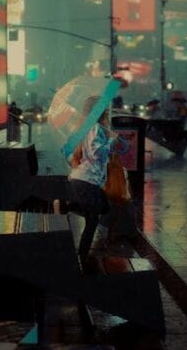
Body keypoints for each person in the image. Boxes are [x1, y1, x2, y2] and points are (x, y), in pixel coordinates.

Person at [67, 96, 114, 270]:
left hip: (82, 180)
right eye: (106, 108)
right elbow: (96, 153)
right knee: (93, 219)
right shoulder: (95, 128)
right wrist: (110, 142)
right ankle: (81, 258)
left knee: (101, 210)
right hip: (87, 181)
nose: (108, 111)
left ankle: (68, 205)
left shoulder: (88, 127)